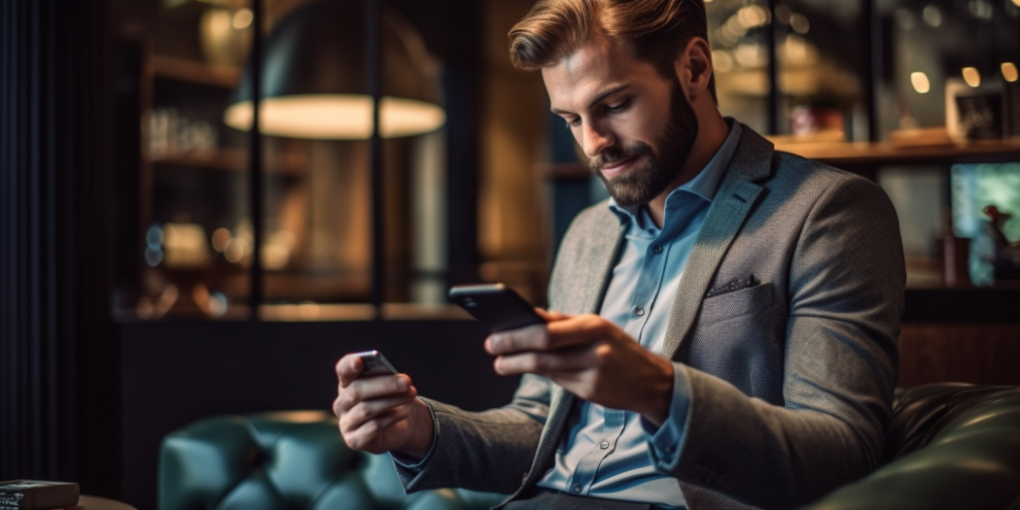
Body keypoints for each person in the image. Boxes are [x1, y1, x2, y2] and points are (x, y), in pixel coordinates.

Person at [333, 0, 905, 508]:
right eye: (571, 119)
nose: (592, 143)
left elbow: (840, 454)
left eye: (614, 104)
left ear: (695, 69)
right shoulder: (587, 234)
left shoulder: (829, 212)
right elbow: (540, 424)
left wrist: (658, 389)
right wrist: (419, 429)